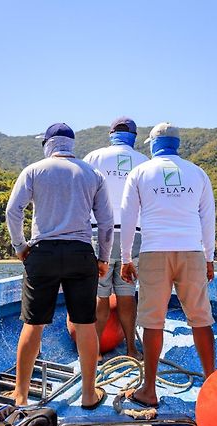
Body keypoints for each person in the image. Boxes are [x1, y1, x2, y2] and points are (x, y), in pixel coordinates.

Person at [6, 123, 114, 409]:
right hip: (81, 253)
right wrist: (103, 258)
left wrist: (20, 247)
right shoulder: (93, 173)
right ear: (71, 144)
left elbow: (12, 211)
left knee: (33, 324)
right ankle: (89, 395)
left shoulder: (33, 170)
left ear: (49, 144)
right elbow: (105, 222)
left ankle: (20, 394)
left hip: (42, 253)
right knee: (85, 324)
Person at [120, 122, 216, 408]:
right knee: (201, 318)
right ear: (178, 144)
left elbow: (127, 218)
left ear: (152, 145)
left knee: (153, 322)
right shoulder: (198, 173)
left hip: (154, 253)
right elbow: (207, 219)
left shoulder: (139, 172)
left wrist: (126, 258)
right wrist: (208, 257)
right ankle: (211, 384)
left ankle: (149, 389)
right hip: (191, 252)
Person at [83, 117, 148, 360]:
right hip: (135, 235)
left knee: (100, 295)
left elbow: (84, 196)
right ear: (134, 136)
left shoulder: (93, 158)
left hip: (100, 232)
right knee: (127, 294)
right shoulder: (144, 162)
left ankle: (96, 351)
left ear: (111, 134)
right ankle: (131, 349)